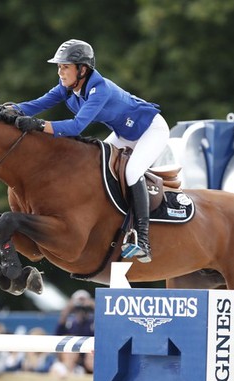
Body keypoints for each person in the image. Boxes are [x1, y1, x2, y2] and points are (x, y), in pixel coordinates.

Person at [12, 39, 169, 263]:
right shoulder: (67, 88)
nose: (60, 72)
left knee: (132, 172)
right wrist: (14, 108)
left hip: (151, 130)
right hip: (124, 134)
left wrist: (38, 126)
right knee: (98, 169)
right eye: (59, 67)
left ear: (82, 69)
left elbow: (77, 127)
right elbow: (39, 103)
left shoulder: (100, 89)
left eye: (65, 67)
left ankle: (142, 239)